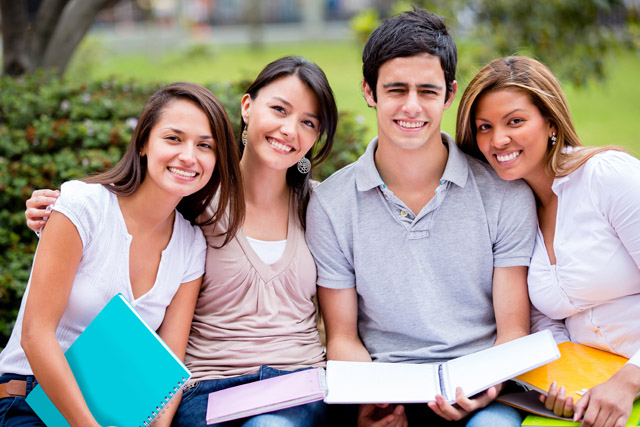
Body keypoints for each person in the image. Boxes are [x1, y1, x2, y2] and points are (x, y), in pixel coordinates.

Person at [25, 56, 338, 427]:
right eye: (279, 110)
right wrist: (59, 217)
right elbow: (136, 202)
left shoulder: (322, 208)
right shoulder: (194, 195)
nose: (290, 129)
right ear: (248, 107)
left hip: (298, 388)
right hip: (209, 390)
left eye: (308, 122)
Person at [305, 8, 537, 427]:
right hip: (382, 385)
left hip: (482, 389)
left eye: (427, 91)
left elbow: (512, 331)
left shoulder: (505, 194)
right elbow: (342, 336)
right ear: (369, 90)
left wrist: (486, 391)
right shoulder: (331, 204)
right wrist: (372, 399)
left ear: (449, 96)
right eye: (396, 89)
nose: (412, 107)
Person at [0, 82, 244, 426]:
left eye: (205, 146)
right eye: (173, 139)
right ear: (143, 142)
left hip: (120, 413)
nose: (189, 156)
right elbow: (35, 334)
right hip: (29, 401)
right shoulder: (82, 205)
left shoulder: (191, 246)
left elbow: (169, 366)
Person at [456, 55, 640, 427]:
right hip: (591, 387)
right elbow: (546, 319)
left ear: (551, 122)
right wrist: (562, 378)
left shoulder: (606, 178)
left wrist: (628, 380)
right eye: (484, 127)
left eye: (515, 122)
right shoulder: (514, 208)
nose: (498, 140)